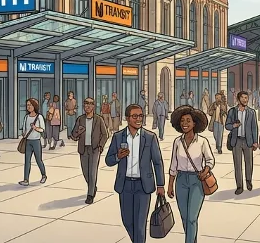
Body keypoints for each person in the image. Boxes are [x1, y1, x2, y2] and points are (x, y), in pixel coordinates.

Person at [105, 104, 165, 243]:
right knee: (127, 222)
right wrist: (118, 157)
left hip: (143, 186)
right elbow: (108, 160)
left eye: (140, 116)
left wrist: (160, 185)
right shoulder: (118, 137)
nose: (139, 119)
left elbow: (157, 162)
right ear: (127, 118)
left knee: (140, 225)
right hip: (124, 185)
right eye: (135, 116)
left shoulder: (150, 137)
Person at [167, 106, 215, 243]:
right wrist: (170, 185)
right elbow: (173, 165)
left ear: (195, 123)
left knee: (192, 218)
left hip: (196, 180)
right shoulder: (177, 142)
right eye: (182, 121)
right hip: (181, 180)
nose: (185, 123)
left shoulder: (202, 141)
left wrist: (204, 171)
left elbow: (210, 160)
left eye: (188, 120)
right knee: (184, 217)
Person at [70, 97, 109, 203]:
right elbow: (73, 135)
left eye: (90, 104)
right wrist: (78, 132)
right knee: (85, 172)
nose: (88, 105)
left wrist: (100, 146)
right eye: (86, 103)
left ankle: (90, 194)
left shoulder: (98, 119)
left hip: (94, 149)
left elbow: (105, 134)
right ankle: (93, 187)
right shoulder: (80, 119)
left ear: (93, 106)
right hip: (83, 149)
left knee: (92, 172)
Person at [225, 90, 258, 194]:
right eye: (243, 98)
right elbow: (227, 125)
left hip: (248, 141)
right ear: (238, 99)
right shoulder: (232, 111)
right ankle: (239, 186)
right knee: (237, 165)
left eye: (246, 98)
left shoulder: (251, 112)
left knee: (249, 163)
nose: (245, 100)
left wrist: (255, 141)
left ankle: (249, 181)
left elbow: (254, 128)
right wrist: (233, 126)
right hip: (236, 141)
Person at [19, 98, 48, 186]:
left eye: (30, 105)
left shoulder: (39, 117)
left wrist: (36, 128)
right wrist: (24, 134)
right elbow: (24, 129)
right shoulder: (26, 117)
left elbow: (42, 129)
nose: (29, 107)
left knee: (38, 160)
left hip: (36, 141)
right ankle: (26, 179)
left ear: (34, 106)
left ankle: (44, 175)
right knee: (27, 160)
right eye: (27, 105)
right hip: (28, 141)